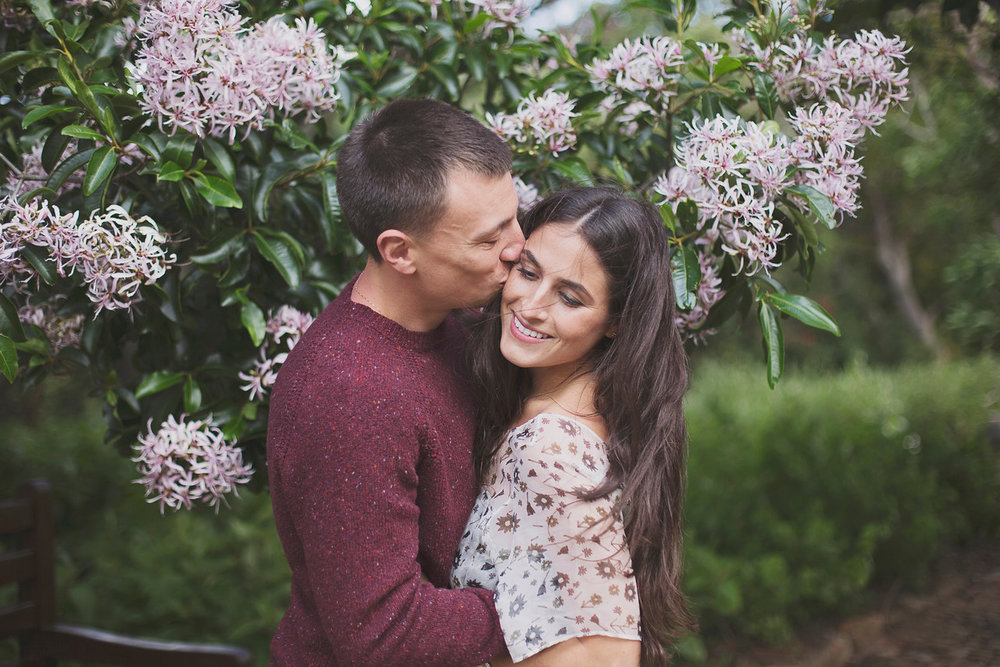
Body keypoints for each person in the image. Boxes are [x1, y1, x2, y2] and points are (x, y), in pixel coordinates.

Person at [266, 98, 524, 666]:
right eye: (488, 239)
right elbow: (383, 633)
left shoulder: (463, 319)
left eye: (514, 216)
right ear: (399, 252)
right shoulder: (349, 393)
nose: (518, 248)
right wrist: (559, 602)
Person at [453, 187, 697, 666]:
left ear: (615, 323)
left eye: (569, 297)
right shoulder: (549, 415)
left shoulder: (550, 448)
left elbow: (609, 657)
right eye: (528, 272)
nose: (531, 305)